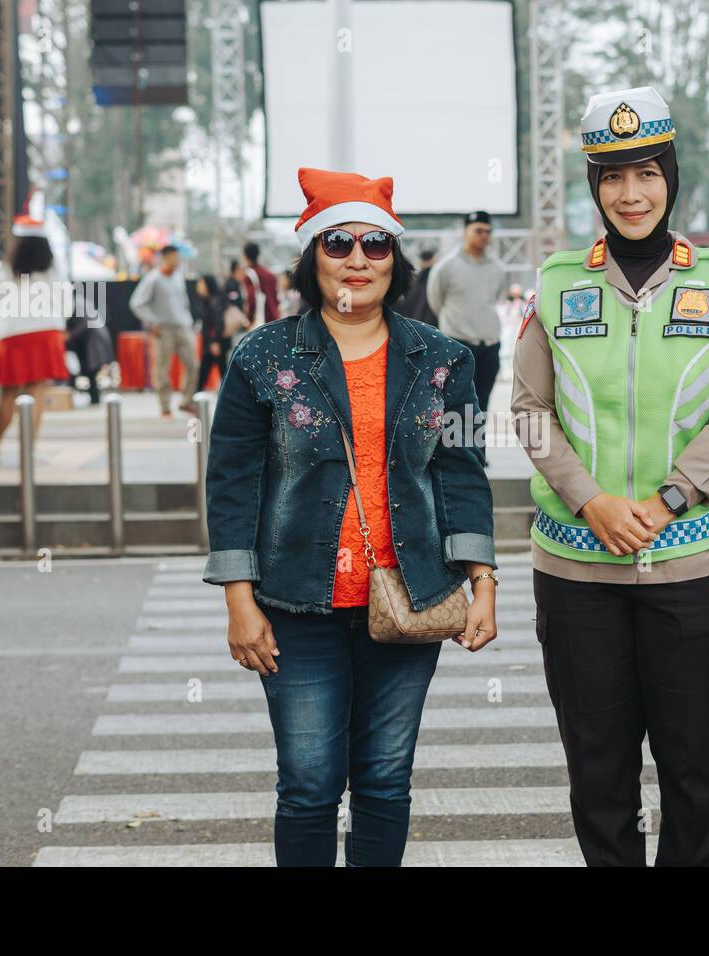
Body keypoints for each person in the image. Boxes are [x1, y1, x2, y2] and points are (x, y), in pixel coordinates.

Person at [512, 86, 709, 867]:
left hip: (694, 566)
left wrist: (670, 499)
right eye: (611, 176)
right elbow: (531, 411)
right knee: (598, 775)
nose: (630, 194)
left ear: (672, 177)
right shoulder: (559, 284)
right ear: (593, 186)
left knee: (695, 769)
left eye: (646, 174)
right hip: (576, 570)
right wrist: (591, 500)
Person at [203, 167, 498, 867]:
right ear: (311, 258)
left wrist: (483, 581)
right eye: (338, 244)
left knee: (385, 783)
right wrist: (239, 602)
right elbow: (233, 484)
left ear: (395, 261)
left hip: (409, 597)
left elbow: (461, 472)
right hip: (296, 602)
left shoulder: (442, 359)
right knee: (308, 786)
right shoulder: (263, 356)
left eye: (376, 246)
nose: (358, 260)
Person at [0, 216, 72, 460]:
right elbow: (66, 299)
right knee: (37, 393)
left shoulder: (6, 268)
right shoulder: (53, 268)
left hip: (12, 333)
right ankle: (29, 450)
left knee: (8, 393)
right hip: (47, 331)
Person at [426, 211, 505, 416]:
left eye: (487, 231)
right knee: (456, 408)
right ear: (465, 232)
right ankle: (460, 449)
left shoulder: (497, 267)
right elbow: (436, 301)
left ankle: (478, 449)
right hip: (458, 346)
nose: (484, 236)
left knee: (482, 408)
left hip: (489, 346)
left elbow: (494, 299)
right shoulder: (447, 266)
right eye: (478, 231)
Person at [129, 244, 199, 419]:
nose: (177, 261)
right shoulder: (153, 278)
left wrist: (188, 321)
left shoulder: (178, 277)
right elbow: (136, 303)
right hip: (163, 329)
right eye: (174, 257)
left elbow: (184, 302)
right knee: (162, 369)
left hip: (182, 327)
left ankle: (186, 400)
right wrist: (152, 322)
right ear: (165, 257)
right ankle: (165, 406)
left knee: (193, 364)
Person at [194, 274, 230, 391]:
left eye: (201, 283)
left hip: (215, 344)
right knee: (221, 372)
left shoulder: (216, 301)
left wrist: (215, 342)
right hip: (212, 343)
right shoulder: (208, 300)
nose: (198, 286)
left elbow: (217, 322)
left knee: (220, 373)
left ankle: (196, 396)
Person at [397, 247, 439, 328]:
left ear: (420, 262)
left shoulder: (412, 281)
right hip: (433, 327)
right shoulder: (437, 279)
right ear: (434, 261)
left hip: (414, 325)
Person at [243, 241, 280, 324]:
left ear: (245, 256)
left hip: (260, 322)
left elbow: (251, 300)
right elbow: (276, 298)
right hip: (274, 318)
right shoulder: (270, 274)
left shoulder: (249, 274)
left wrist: (249, 320)